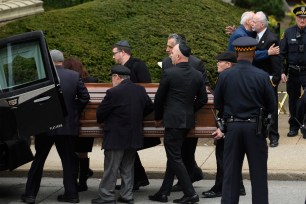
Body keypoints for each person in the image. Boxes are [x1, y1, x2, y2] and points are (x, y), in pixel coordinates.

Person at [21, 50, 90, 204]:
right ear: (62, 61)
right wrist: (72, 112)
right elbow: (85, 97)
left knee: (39, 160)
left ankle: (30, 195)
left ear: (49, 61)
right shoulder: (74, 76)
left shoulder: (42, 77)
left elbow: (34, 102)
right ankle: (72, 195)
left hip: (46, 126)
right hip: (67, 126)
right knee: (69, 161)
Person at [214, 36, 276, 204]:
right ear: (254, 53)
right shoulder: (262, 76)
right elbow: (271, 105)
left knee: (231, 174)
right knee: (258, 175)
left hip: (233, 127)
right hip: (254, 128)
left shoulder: (226, 76)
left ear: (236, 53)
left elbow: (217, 103)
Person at [149, 43, 207, 203]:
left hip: (173, 120)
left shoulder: (169, 73)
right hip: (187, 120)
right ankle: (163, 192)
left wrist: (158, 117)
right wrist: (189, 110)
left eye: (172, 52)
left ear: (179, 56)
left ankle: (190, 193)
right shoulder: (197, 74)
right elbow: (203, 99)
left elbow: (159, 99)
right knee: (174, 155)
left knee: (174, 156)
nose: (170, 55)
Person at [92, 65, 154, 204]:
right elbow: (150, 107)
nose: (112, 80)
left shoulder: (113, 92)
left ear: (116, 77)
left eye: (112, 77)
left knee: (111, 168)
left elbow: (100, 114)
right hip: (133, 136)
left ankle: (107, 196)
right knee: (127, 167)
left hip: (116, 136)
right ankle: (127, 195)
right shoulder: (140, 90)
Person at [161, 33, 208, 192]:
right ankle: (168, 189)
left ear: (178, 48)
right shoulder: (167, 63)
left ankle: (187, 183)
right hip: (174, 113)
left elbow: (204, 89)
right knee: (175, 154)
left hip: (187, 114)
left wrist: (190, 107)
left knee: (186, 152)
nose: (167, 50)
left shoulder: (196, 64)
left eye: (170, 47)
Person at [112, 40, 160, 190]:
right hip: (126, 115)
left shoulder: (138, 65)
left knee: (127, 148)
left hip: (138, 114)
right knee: (127, 148)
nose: (113, 56)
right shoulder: (119, 68)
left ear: (123, 52)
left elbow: (146, 88)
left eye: (114, 53)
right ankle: (137, 179)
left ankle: (137, 179)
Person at [202, 51, 246, 198]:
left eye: (220, 61)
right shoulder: (241, 75)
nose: (217, 63)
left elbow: (220, 101)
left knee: (222, 156)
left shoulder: (225, 77)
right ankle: (239, 186)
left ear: (228, 64)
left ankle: (220, 187)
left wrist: (222, 127)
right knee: (231, 155)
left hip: (227, 120)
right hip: (240, 121)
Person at [63, 57, 98, 192]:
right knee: (83, 153)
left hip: (73, 122)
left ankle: (76, 181)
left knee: (72, 153)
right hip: (89, 123)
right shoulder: (92, 81)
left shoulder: (68, 80)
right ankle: (83, 182)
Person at [251, 11, 282, 147]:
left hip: (267, 80)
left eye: (254, 21)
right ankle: (260, 134)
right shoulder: (254, 36)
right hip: (255, 80)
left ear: (262, 24)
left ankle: (273, 136)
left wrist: (274, 81)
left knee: (271, 108)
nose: (252, 23)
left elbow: (276, 64)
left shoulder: (271, 39)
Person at [280, 6, 306, 137]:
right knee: (293, 100)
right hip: (293, 72)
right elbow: (282, 54)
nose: (302, 20)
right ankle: (294, 126)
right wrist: (282, 72)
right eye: (300, 18)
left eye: (305, 18)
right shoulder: (288, 32)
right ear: (296, 18)